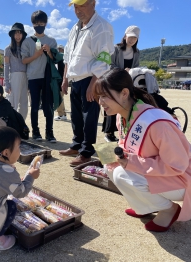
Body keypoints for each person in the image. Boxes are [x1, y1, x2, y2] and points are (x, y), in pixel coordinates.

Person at [95, 68, 191, 232]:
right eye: (99, 96)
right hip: (160, 172)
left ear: (124, 93)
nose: (100, 102)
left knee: (121, 174)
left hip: (183, 177)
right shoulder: (122, 115)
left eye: (104, 96)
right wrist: (116, 157)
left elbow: (177, 165)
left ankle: (168, 209)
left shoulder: (158, 123)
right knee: (109, 165)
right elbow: (126, 144)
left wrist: (130, 162)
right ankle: (146, 206)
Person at [59, 0, 114, 166]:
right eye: (75, 6)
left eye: (82, 5)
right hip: (75, 78)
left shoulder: (102, 27)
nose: (78, 10)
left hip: (90, 79)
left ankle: (86, 151)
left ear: (93, 3)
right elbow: (68, 55)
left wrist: (93, 83)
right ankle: (76, 145)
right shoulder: (75, 28)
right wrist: (65, 78)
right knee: (76, 116)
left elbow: (104, 57)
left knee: (89, 117)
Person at [21, 10, 57, 142]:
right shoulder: (27, 41)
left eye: (42, 23)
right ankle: (36, 132)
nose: (39, 25)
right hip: (33, 77)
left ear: (46, 23)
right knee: (35, 106)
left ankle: (50, 132)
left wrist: (49, 52)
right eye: (36, 23)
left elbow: (56, 59)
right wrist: (36, 55)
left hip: (47, 78)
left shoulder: (51, 41)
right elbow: (24, 60)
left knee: (48, 106)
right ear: (32, 24)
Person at [102, 25, 141, 142]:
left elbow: (136, 66)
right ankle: (108, 132)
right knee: (112, 104)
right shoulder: (116, 49)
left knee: (125, 106)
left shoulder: (137, 52)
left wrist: (132, 72)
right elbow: (110, 64)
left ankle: (122, 132)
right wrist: (122, 71)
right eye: (130, 37)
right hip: (114, 81)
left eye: (135, 38)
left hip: (128, 83)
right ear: (125, 36)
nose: (132, 40)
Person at [4, 22, 28, 120]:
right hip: (14, 76)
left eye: (20, 33)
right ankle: (11, 126)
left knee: (24, 103)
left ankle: (21, 125)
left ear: (23, 34)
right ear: (12, 35)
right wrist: (7, 83)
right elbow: (6, 66)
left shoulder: (26, 48)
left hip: (26, 76)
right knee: (13, 102)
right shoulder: (8, 49)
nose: (18, 36)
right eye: (16, 33)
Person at [54, 44, 67, 121]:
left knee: (58, 98)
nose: (58, 50)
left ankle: (61, 114)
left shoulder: (61, 59)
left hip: (60, 81)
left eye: (59, 49)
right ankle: (63, 114)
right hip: (62, 81)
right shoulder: (63, 59)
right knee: (60, 98)